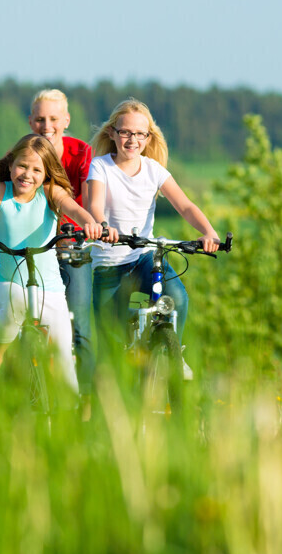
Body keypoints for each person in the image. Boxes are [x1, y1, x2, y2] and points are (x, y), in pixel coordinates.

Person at [0, 134, 103, 391]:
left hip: (50, 288)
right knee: (14, 306)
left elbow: (73, 208)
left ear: (46, 174)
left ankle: (72, 414)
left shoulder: (51, 192)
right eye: (22, 166)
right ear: (10, 165)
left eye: (36, 169)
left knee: (66, 361)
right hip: (9, 283)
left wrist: (89, 222)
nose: (27, 174)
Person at [85, 99, 221, 380]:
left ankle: (173, 352)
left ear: (148, 138)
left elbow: (185, 206)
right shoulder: (101, 167)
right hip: (109, 263)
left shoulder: (154, 170)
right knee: (111, 350)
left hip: (143, 256)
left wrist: (209, 232)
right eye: (125, 132)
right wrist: (102, 225)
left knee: (177, 297)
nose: (132, 140)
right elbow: (95, 205)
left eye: (139, 134)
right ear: (112, 133)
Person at [26, 89, 96, 395]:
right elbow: (3, 200)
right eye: (40, 119)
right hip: (35, 246)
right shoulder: (22, 155)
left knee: (79, 325)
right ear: (31, 122)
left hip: (72, 244)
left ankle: (89, 404)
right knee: (23, 320)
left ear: (66, 120)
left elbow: (87, 202)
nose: (47, 125)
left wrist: (87, 226)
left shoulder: (81, 153)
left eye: (53, 118)